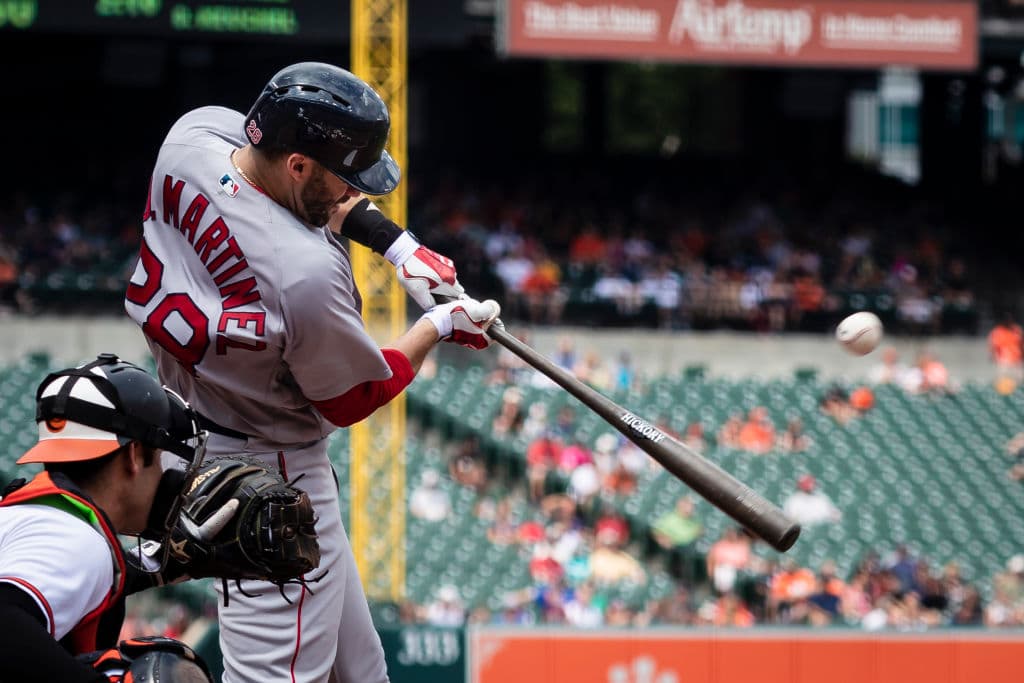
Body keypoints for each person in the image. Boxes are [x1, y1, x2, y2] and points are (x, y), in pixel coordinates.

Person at [123, 61, 500, 683]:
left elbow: (275, 193)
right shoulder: (305, 273)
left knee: (362, 669)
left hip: (191, 426)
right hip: (263, 475)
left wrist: (396, 245)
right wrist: (438, 326)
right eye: (347, 178)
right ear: (298, 164)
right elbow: (356, 397)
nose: (361, 192)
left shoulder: (191, 137)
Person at [0, 354, 209, 681]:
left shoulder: (38, 513)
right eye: (160, 458)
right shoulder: (76, 537)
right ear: (134, 455)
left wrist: (151, 568)